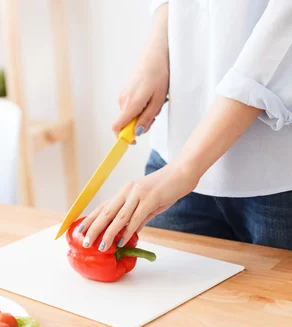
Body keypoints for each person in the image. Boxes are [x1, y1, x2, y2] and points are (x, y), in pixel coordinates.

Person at [78, 1, 292, 251]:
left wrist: (183, 169)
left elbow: (280, 36)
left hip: (276, 177)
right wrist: (157, 48)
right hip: (171, 158)